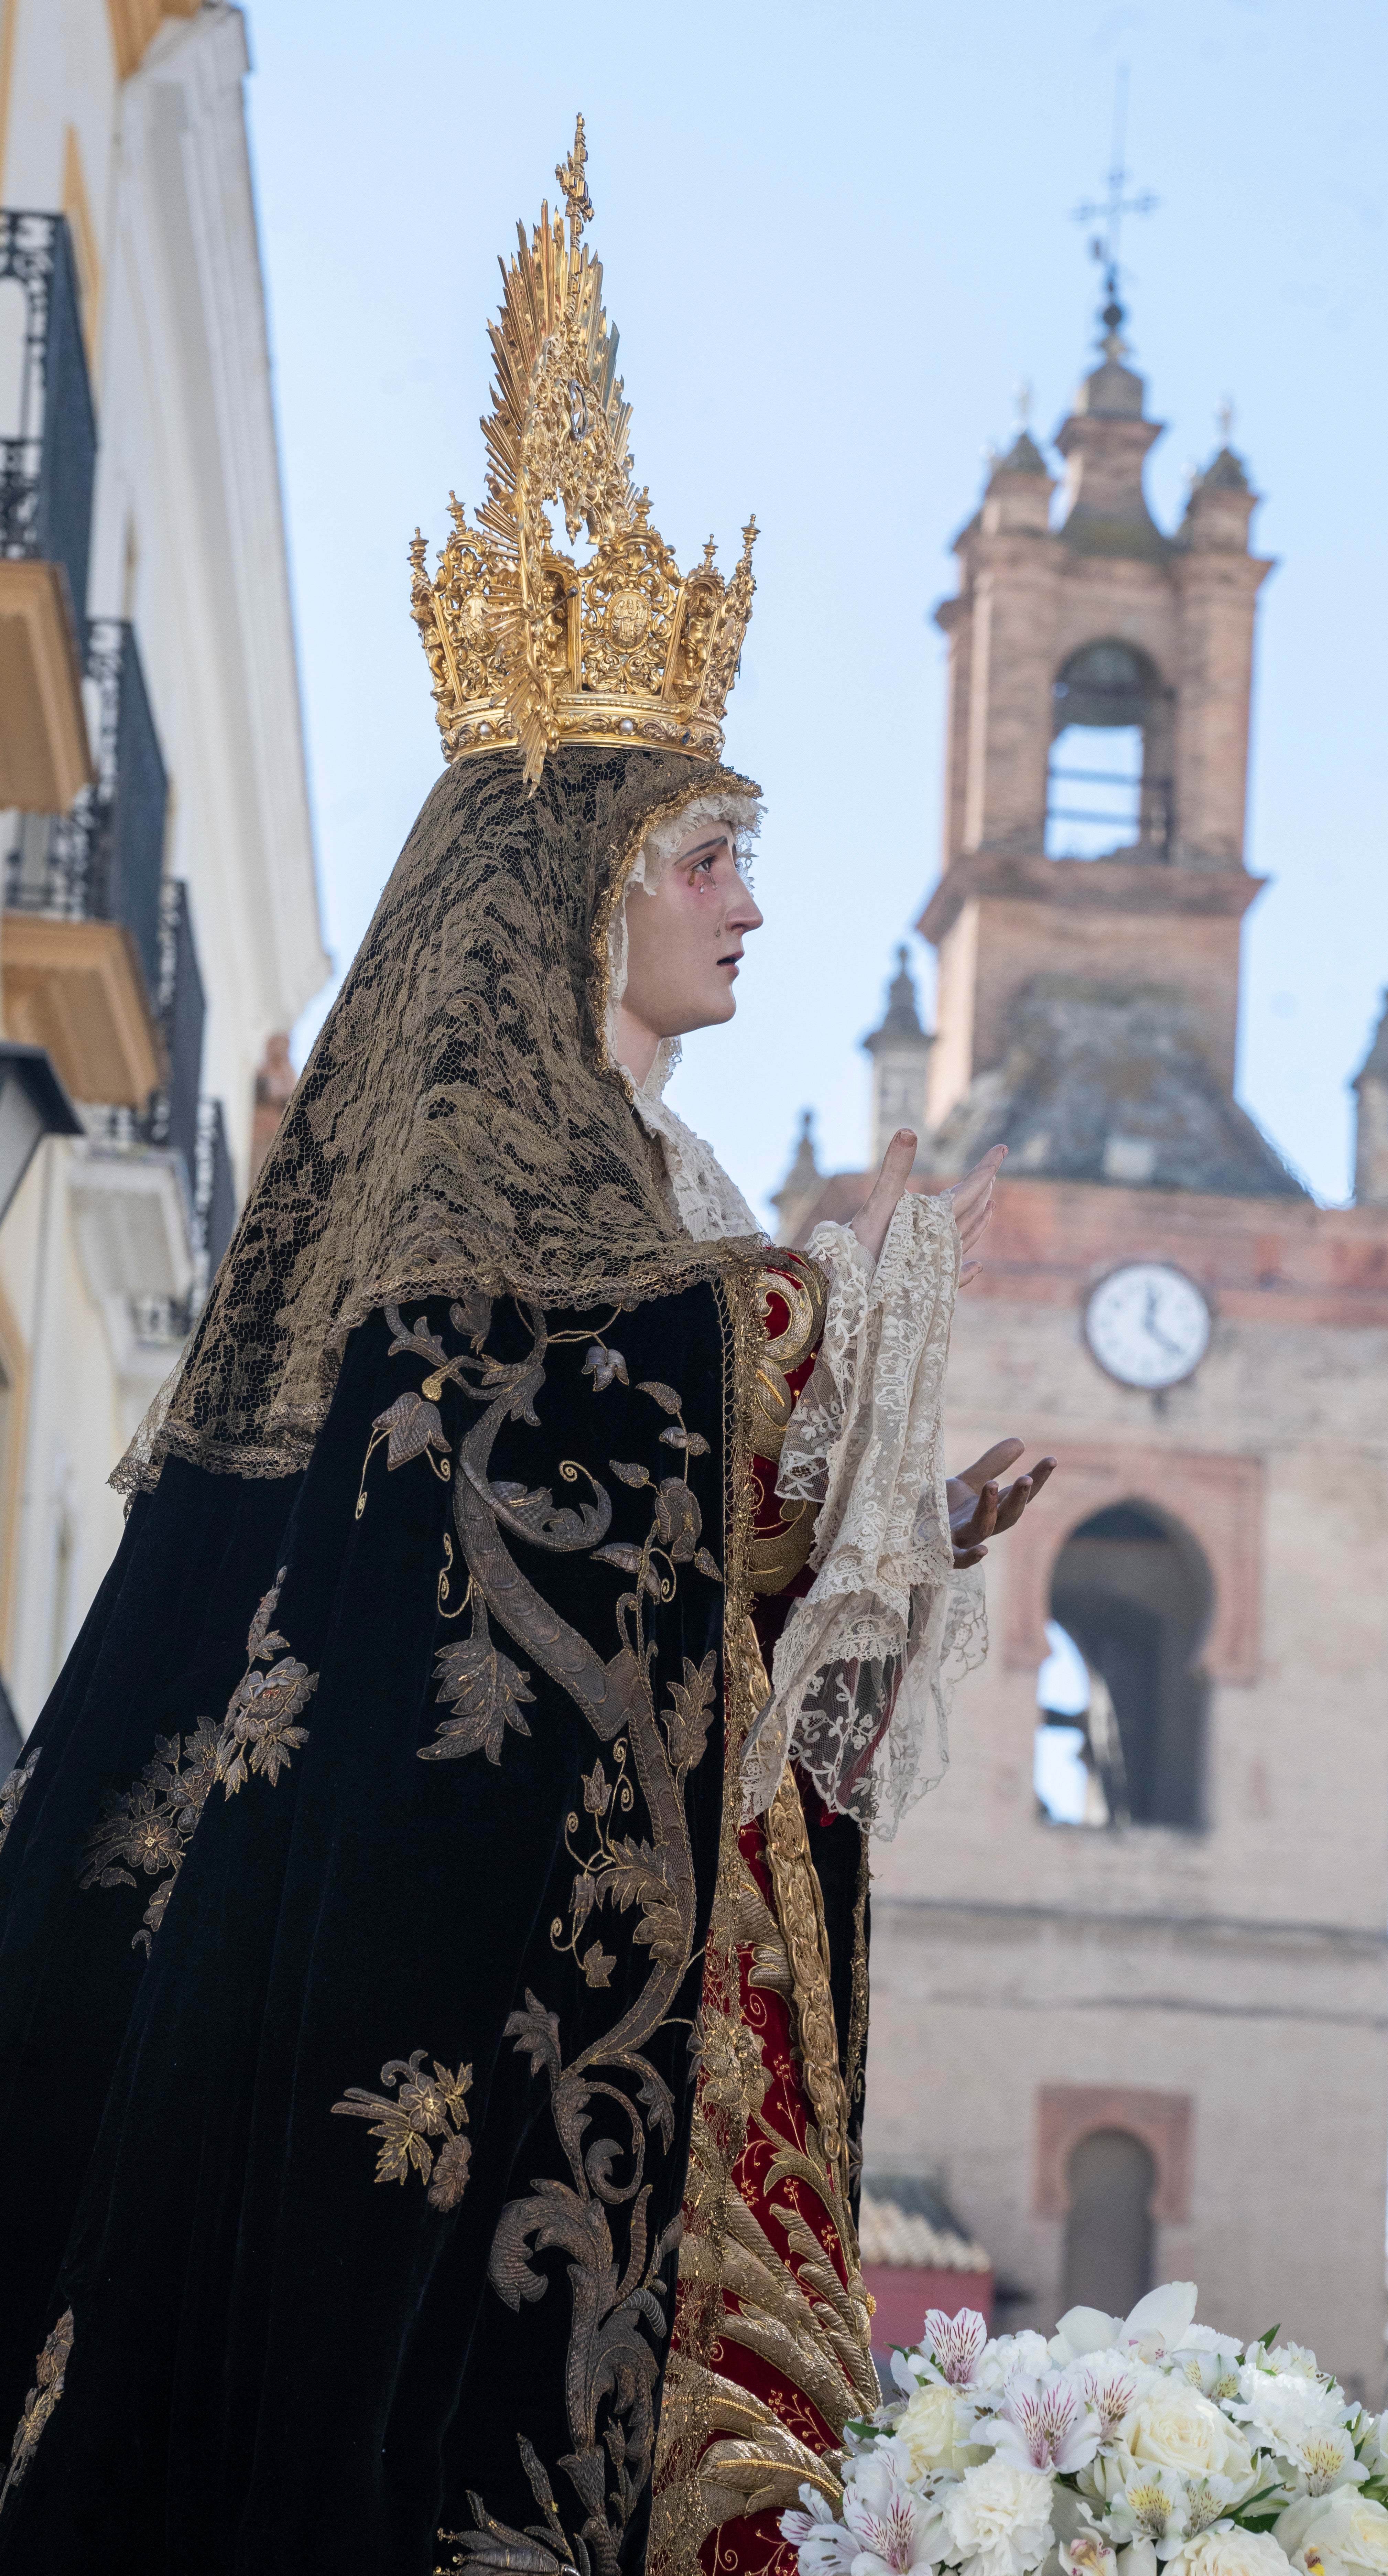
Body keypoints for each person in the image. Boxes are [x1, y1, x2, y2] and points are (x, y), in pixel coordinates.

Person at [0, 127, 1052, 2576]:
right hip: (421, 2001)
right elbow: (502, 1543)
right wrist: (783, 1355)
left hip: (605, 2006)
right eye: (708, 856)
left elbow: (692, 1623)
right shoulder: (477, 1213)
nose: (754, 907)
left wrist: (867, 1543)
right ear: (576, 881)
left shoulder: (660, 1207)